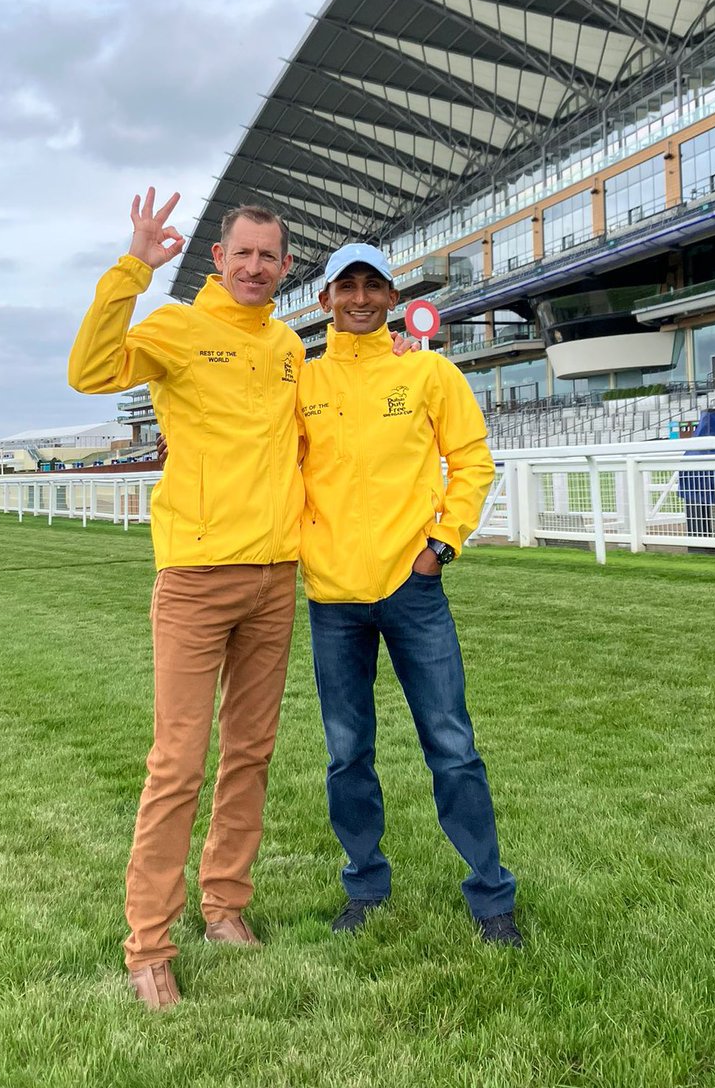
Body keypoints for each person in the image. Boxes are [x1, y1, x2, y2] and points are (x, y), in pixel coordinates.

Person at [68, 189, 304, 1010]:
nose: (253, 267)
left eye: (267, 256)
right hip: (198, 578)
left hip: (277, 576)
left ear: (284, 267)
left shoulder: (285, 344)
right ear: (217, 258)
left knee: (251, 751)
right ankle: (147, 943)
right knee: (177, 763)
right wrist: (134, 264)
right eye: (241, 253)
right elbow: (90, 371)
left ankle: (226, 905)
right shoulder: (173, 325)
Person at [297, 242, 522, 946]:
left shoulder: (429, 372)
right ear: (324, 300)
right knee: (347, 752)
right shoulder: (301, 383)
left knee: (452, 745)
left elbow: (473, 460)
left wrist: (442, 545)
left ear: (393, 298)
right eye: (347, 287)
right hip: (332, 597)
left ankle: (491, 898)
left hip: (412, 586)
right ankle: (364, 886)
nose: (360, 298)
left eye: (373, 286)